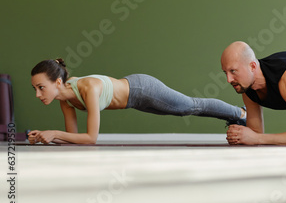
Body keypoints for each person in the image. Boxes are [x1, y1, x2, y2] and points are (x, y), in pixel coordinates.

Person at [29, 58, 246, 144]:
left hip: (142, 89)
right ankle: (237, 115)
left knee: (189, 106)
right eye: (35, 89)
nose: (38, 94)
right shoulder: (64, 99)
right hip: (136, 100)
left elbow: (91, 138)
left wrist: (55, 133)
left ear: (57, 82)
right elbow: (75, 139)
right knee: (184, 109)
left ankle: (240, 114)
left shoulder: (88, 89)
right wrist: (43, 137)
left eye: (41, 88)